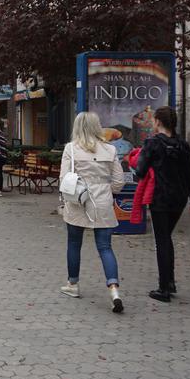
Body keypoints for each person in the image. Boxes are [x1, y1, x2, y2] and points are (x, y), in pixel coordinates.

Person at [132, 106, 190, 303]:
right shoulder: (182, 144)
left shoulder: (152, 143)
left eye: (154, 120)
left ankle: (164, 289)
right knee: (166, 238)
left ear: (158, 122)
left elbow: (141, 171)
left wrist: (136, 160)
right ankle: (169, 282)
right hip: (179, 199)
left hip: (159, 198)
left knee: (162, 240)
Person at [59, 111, 126, 313]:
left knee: (74, 243)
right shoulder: (110, 150)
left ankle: (73, 284)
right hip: (103, 202)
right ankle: (114, 290)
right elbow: (119, 182)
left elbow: (64, 178)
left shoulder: (71, 149)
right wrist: (106, 191)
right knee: (105, 247)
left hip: (79, 201)